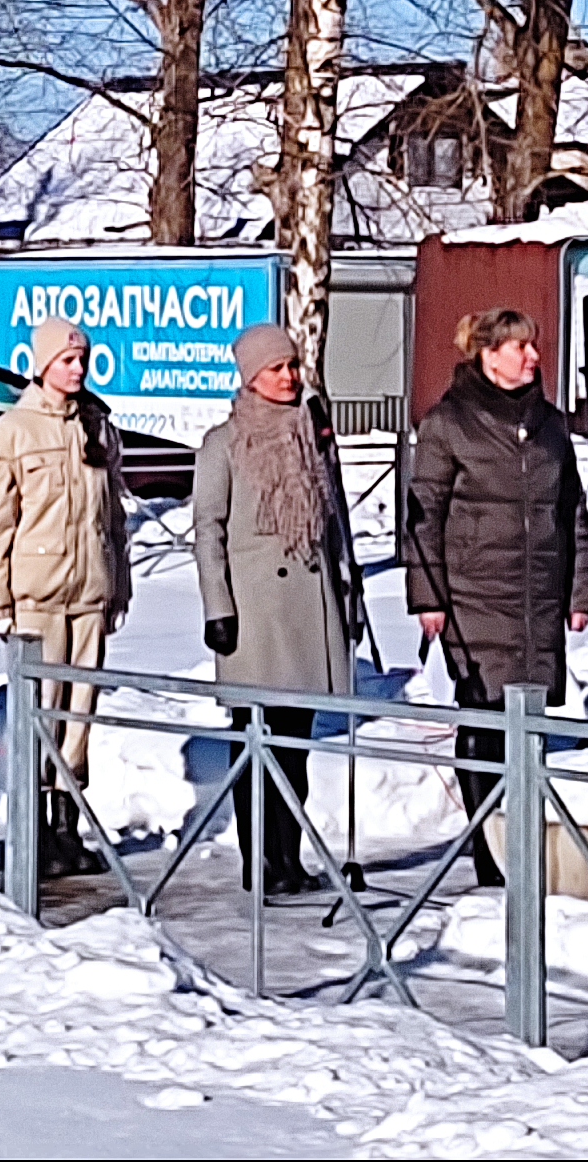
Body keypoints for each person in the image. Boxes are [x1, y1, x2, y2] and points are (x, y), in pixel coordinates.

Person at [403, 307, 588, 887]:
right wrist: (428, 598)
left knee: (529, 729)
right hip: (472, 599)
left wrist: (580, 591)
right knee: (486, 723)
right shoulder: (449, 424)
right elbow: (422, 519)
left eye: (533, 347)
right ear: (488, 356)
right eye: (520, 348)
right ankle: (492, 857)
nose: (534, 357)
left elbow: (572, 513)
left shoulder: (550, 425)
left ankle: (521, 844)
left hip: (536, 600)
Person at [193, 320, 358, 897]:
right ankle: (257, 861)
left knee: (295, 744)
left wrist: (348, 592)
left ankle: (288, 858)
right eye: (275, 369)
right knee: (255, 743)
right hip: (255, 614)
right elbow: (207, 529)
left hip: (310, 607)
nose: (288, 377)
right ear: (250, 377)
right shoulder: (225, 443)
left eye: (291, 366)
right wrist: (219, 605)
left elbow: (333, 521)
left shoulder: (313, 435)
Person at [0, 317, 133, 878]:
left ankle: (68, 827)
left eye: (83, 359)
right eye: (67, 360)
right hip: (35, 599)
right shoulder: (10, 432)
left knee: (79, 718)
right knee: (41, 715)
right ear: (42, 365)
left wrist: (120, 585)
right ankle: (33, 831)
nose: (78, 369)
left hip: (90, 593)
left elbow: (113, 517)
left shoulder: (97, 425)